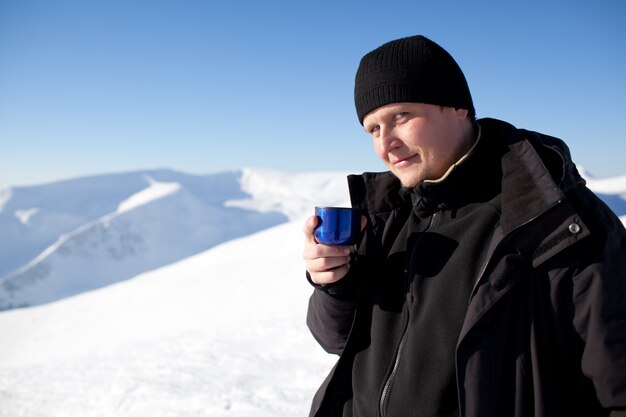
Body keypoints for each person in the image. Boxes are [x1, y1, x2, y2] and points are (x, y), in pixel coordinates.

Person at [302, 35, 626, 417]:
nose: (386, 143)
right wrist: (335, 286)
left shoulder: (555, 222)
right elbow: (337, 340)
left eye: (400, 116)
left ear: (457, 107)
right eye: (373, 129)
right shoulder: (387, 217)